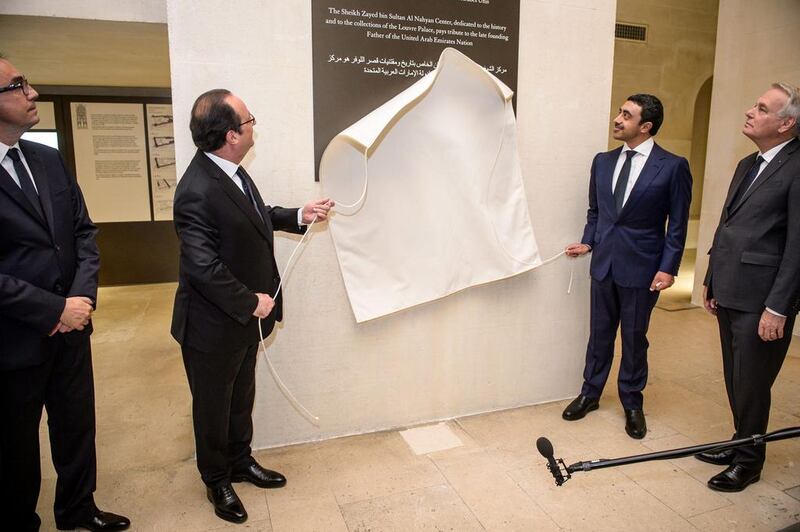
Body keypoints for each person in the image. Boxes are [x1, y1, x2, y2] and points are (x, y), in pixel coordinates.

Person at [171, 88, 333, 524]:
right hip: (211, 325)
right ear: (230, 135)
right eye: (248, 120)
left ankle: (241, 462)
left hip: (241, 319)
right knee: (212, 406)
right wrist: (250, 301)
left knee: (241, 396)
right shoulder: (196, 189)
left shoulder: (229, 171)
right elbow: (202, 267)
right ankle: (217, 479)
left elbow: (253, 214)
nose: (253, 125)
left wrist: (298, 214)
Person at [0, 56, 130, 531]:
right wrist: (53, 309)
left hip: (73, 328)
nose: (32, 93)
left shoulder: (47, 159)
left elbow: (83, 234)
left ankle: (78, 508)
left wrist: (80, 302)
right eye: (17, 86)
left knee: (76, 427)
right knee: (15, 445)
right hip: (16, 337)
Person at [562, 93, 692, 439]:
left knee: (635, 338)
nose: (617, 119)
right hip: (603, 264)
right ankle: (590, 394)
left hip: (644, 268)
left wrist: (668, 268)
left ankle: (632, 403)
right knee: (599, 335)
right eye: (620, 112)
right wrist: (589, 240)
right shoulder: (602, 162)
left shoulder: (673, 165)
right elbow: (596, 212)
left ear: (645, 126)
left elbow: (677, 225)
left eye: (626, 115)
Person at [700, 82, 800, 492]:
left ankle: (749, 461)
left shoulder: (797, 165)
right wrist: (711, 279)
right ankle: (740, 440)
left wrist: (779, 306)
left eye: (761, 108)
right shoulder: (748, 163)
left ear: (787, 122)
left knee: (753, 383)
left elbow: (798, 245)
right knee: (735, 376)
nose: (749, 111)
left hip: (763, 299)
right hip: (731, 289)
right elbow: (728, 227)